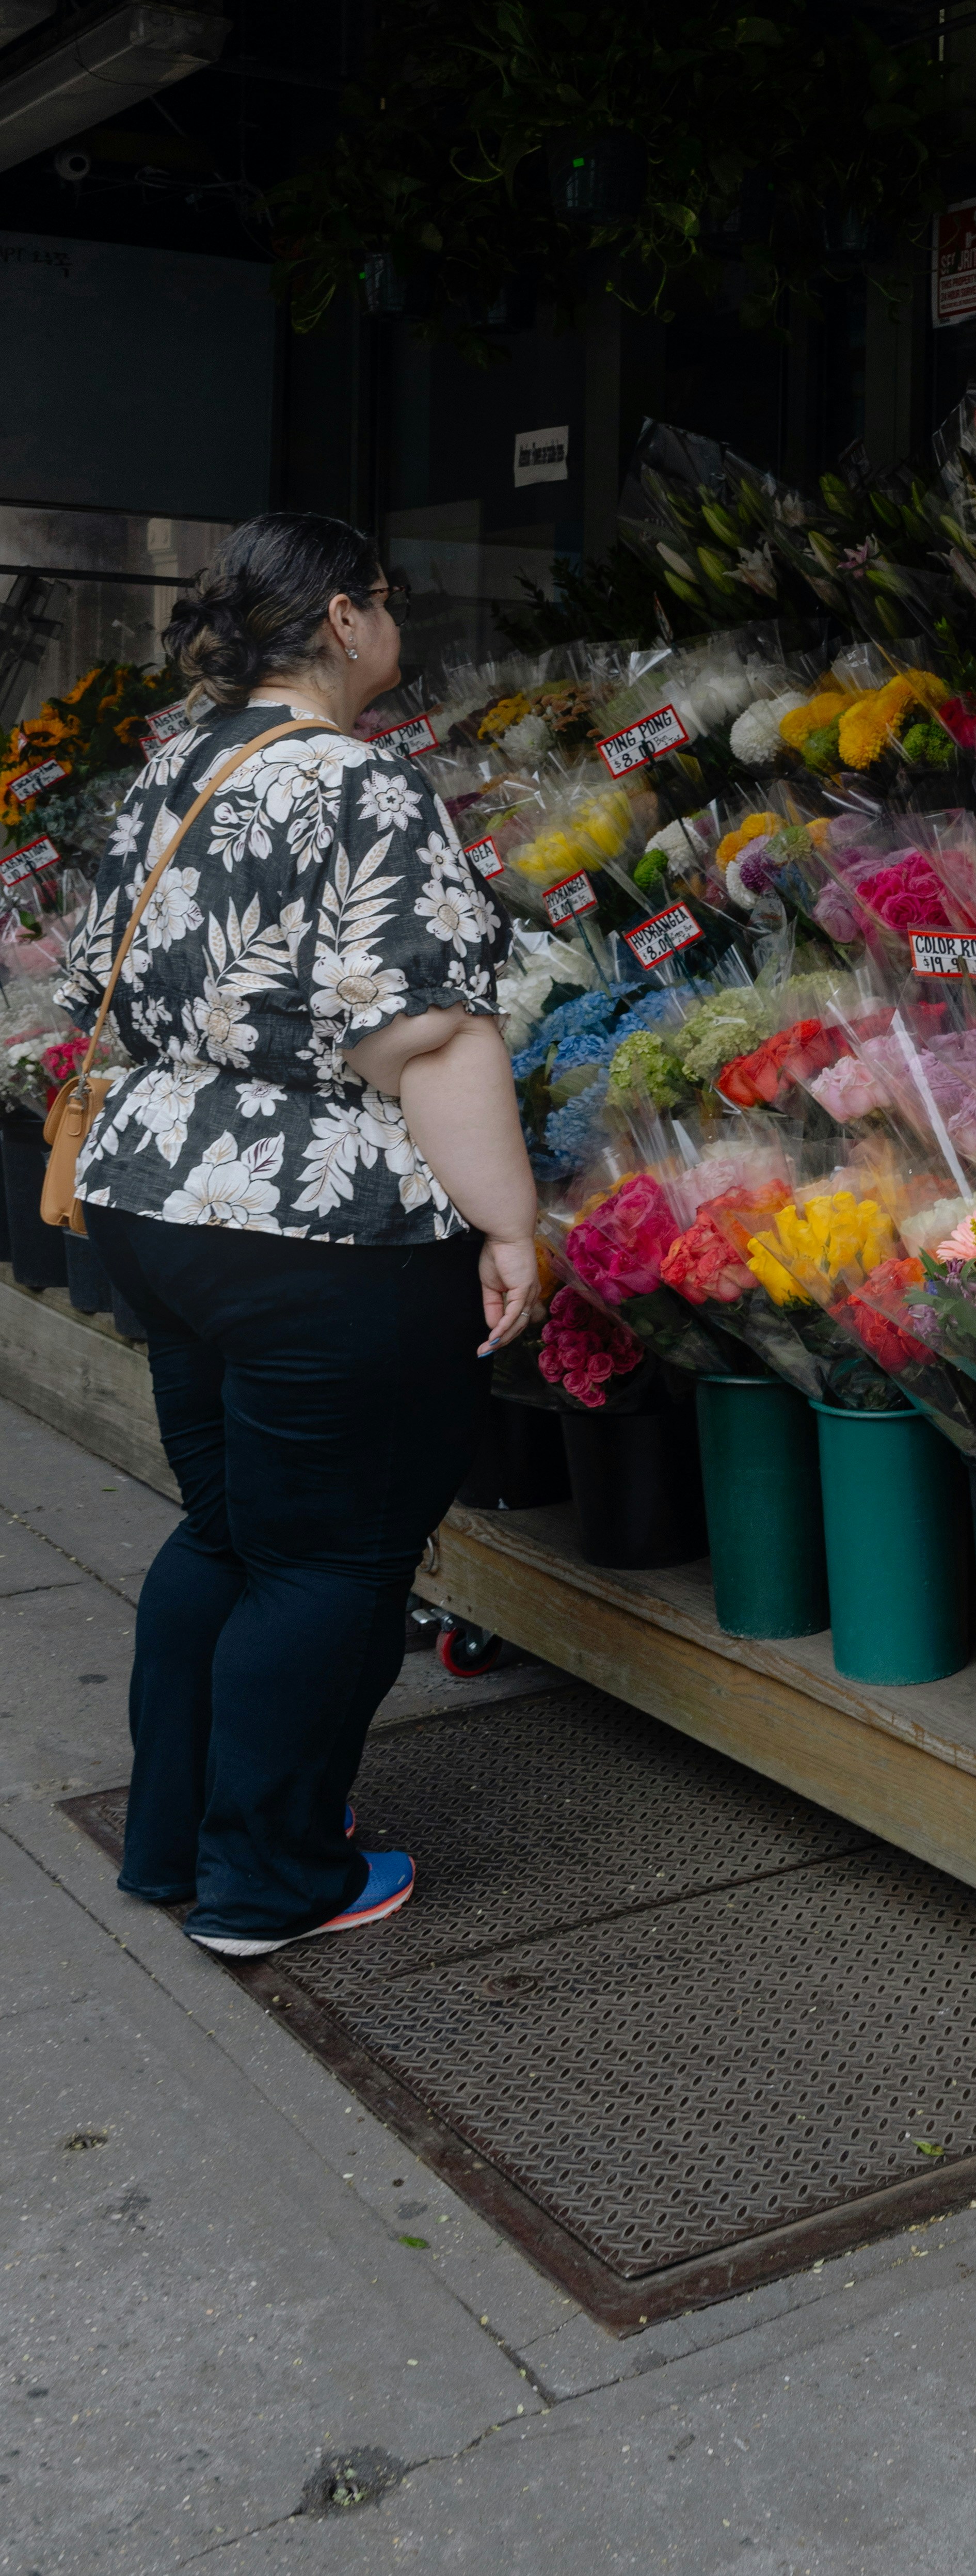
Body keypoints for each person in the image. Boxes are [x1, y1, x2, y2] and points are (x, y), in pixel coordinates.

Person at [61, 511, 539, 1958]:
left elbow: (94, 970)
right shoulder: (364, 780)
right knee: (328, 1560)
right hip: (316, 1222)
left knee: (226, 1530)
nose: (400, 627)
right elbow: (427, 1034)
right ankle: (270, 1880)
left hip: (155, 1204)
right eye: (388, 602)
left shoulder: (174, 764)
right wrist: (510, 1221)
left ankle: (173, 1844)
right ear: (342, 620)